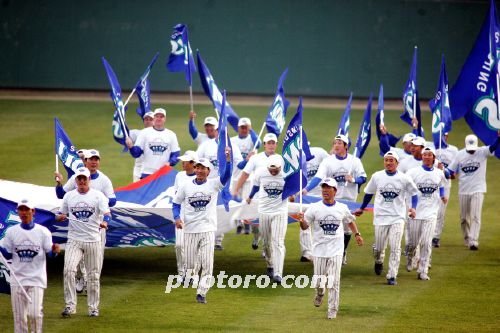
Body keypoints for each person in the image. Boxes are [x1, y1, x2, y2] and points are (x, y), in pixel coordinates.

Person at [298, 178, 363, 319]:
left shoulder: (342, 208)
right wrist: (301, 220)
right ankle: (320, 293)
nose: (325, 190)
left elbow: (350, 221)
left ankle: (332, 310)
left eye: (328, 188)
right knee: (320, 281)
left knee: (334, 281)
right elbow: (305, 227)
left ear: (335, 191)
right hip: (319, 250)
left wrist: (357, 234)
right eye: (323, 188)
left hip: (336, 250)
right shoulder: (314, 208)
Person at [172, 150, 232, 304]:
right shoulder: (185, 186)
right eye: (198, 167)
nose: (199, 170)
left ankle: (202, 292)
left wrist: (228, 159)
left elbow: (226, 176)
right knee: (191, 266)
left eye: (202, 168)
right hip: (190, 230)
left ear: (208, 171)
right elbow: (176, 203)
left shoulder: (214, 184)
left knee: (207, 263)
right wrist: (177, 218)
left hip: (208, 229)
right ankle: (192, 272)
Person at [54, 149, 116, 295]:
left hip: (97, 226)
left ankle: (92, 282)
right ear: (85, 161)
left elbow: (113, 200)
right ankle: (83, 278)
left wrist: (95, 199)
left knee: (96, 257)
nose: (94, 162)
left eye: (96, 159)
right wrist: (59, 182)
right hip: (77, 226)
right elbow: (61, 194)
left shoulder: (104, 180)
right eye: (90, 159)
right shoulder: (76, 178)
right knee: (79, 257)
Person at [354, 151, 418, 286]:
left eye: (391, 160)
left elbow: (414, 193)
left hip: (398, 217)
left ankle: (392, 275)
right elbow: (368, 193)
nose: (388, 163)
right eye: (386, 160)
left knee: (395, 247)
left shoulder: (404, 178)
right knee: (378, 247)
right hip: (381, 217)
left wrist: (413, 208)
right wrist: (362, 207)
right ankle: (378, 260)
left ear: (397, 163)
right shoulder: (377, 176)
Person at [55, 167, 111, 317]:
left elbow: (107, 213)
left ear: (89, 180)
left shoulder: (98, 196)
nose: (81, 181)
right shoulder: (69, 196)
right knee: (68, 271)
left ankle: (93, 307)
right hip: (74, 239)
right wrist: (59, 216)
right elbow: (61, 213)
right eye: (79, 178)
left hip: (93, 239)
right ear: (75, 180)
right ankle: (70, 306)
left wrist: (105, 222)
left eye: (84, 178)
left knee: (93, 275)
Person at [303, 134, 367, 265]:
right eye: (335, 143)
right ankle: (331, 253)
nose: (336, 145)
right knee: (334, 226)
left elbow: (363, 177)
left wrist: (353, 180)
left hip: (349, 199)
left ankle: (342, 252)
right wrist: (307, 189)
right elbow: (318, 177)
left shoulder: (355, 161)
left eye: (339, 143)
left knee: (348, 228)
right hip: (334, 199)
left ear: (346, 146)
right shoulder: (328, 161)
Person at [0, 199, 60, 333]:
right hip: (17, 280)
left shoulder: (43, 232)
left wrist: (54, 252)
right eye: (21, 210)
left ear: (33, 212)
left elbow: (49, 254)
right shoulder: (11, 232)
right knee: (19, 317)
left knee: (35, 314)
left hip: (36, 279)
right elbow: (8, 255)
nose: (24, 213)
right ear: (18, 212)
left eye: (26, 210)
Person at [448, 131, 500, 250]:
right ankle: (467, 238)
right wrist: (446, 172)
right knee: (463, 218)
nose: (472, 151)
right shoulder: (459, 155)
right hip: (463, 190)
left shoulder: (482, 151)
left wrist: (498, 138)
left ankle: (473, 241)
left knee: (476, 216)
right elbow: (451, 170)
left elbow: (492, 147)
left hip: (478, 189)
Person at [196, 127, 243, 250]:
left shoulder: (233, 147)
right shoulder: (206, 145)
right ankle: (204, 238)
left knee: (219, 212)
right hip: (207, 184)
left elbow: (240, 164)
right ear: (215, 132)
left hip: (224, 185)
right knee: (205, 211)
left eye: (223, 132)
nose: (221, 134)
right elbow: (196, 161)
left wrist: (248, 160)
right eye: (218, 131)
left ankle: (217, 241)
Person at [232, 133, 280, 250]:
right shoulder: (256, 158)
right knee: (256, 224)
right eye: (269, 143)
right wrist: (236, 189)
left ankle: (266, 248)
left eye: (273, 143)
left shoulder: (280, 159)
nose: (271, 145)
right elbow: (245, 174)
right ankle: (256, 237)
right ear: (264, 145)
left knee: (269, 225)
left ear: (276, 145)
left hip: (273, 197)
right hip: (256, 196)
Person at [405, 146, 447, 280]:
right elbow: (404, 185)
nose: (427, 157)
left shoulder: (439, 173)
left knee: (426, 242)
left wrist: (442, 196)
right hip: (416, 212)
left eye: (429, 155)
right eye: (425, 155)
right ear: (422, 157)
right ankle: (410, 257)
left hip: (431, 213)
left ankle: (423, 270)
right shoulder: (412, 172)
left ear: (433, 157)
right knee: (413, 243)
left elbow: (441, 185)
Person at [246, 154, 287, 283]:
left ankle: (278, 273)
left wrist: (293, 195)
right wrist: (250, 196)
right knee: (266, 242)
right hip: (264, 211)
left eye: (276, 170)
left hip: (280, 211)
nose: (273, 172)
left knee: (278, 241)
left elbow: (293, 188)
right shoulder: (260, 173)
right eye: (271, 169)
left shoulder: (287, 174)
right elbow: (256, 186)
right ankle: (270, 264)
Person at [126, 108, 181, 179]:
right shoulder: (145, 133)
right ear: (154, 118)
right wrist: (131, 147)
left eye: (161, 117)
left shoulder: (171, 135)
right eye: (157, 116)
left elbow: (176, 154)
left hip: (163, 174)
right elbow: (136, 154)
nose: (159, 118)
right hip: (146, 173)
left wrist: (170, 162)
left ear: (165, 119)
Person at [299, 144, 330, 262]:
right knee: (304, 220)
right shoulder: (296, 157)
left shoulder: (320, 151)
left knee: (322, 223)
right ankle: (306, 252)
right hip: (305, 196)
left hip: (321, 194)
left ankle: (322, 250)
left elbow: (330, 162)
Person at [230, 117, 261, 235]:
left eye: (246, 127)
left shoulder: (253, 140)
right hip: (235, 177)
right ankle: (239, 223)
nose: (244, 129)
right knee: (235, 202)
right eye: (242, 127)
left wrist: (251, 130)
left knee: (246, 201)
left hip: (248, 178)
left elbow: (258, 143)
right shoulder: (233, 141)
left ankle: (247, 224)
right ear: (238, 128)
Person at [173, 150, 198, 281]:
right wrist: (176, 216)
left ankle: (192, 274)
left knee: (193, 247)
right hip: (182, 215)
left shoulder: (199, 177)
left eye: (185, 161)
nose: (182, 163)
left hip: (196, 217)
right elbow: (176, 198)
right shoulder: (179, 176)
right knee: (179, 245)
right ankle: (181, 272)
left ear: (193, 163)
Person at [432, 132, 458, 248]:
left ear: (447, 137)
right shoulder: (431, 149)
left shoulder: (454, 150)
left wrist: (446, 171)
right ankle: (428, 235)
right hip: (432, 185)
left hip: (446, 185)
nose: (442, 137)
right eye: (440, 135)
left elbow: (454, 173)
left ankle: (436, 237)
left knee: (441, 213)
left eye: (444, 135)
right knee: (431, 211)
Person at [129, 111, 154, 182]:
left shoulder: (161, 134)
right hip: (139, 168)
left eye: (150, 119)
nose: (148, 121)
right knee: (137, 191)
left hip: (154, 168)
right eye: (146, 119)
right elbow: (123, 133)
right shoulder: (137, 133)